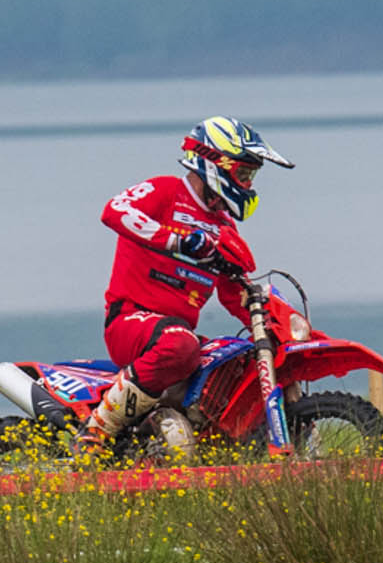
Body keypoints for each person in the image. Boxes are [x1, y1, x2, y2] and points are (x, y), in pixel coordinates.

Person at [90, 117, 302, 448]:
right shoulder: (165, 191)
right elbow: (113, 211)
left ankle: (216, 446)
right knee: (180, 345)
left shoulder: (223, 226)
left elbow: (234, 293)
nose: (248, 184)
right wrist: (177, 239)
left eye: (251, 176)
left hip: (178, 331)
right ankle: (96, 432)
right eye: (244, 174)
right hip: (130, 321)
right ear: (216, 163)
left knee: (235, 362)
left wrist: (274, 326)